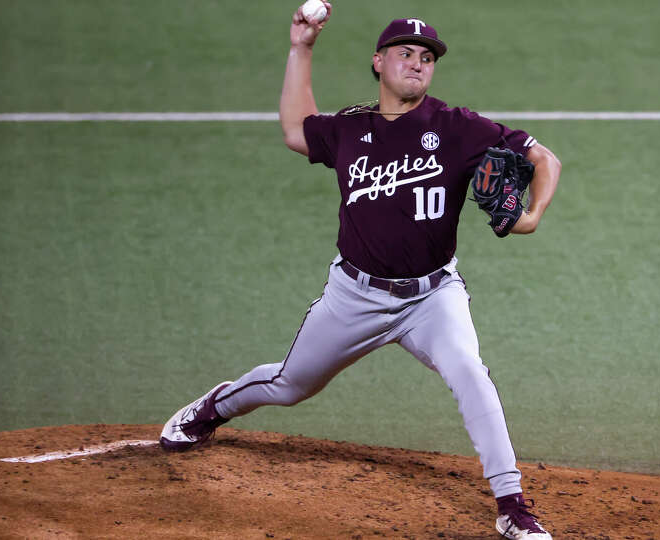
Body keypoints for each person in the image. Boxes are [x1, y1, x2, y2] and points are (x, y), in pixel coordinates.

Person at [159, 4, 561, 539]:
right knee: (289, 384)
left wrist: (531, 216)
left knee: (471, 373)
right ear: (379, 62)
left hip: (432, 297)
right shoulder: (352, 128)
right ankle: (212, 408)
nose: (417, 64)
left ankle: (512, 505)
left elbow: (545, 160)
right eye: (404, 54)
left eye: (426, 57)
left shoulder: (459, 127)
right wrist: (302, 48)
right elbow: (296, 131)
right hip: (355, 295)